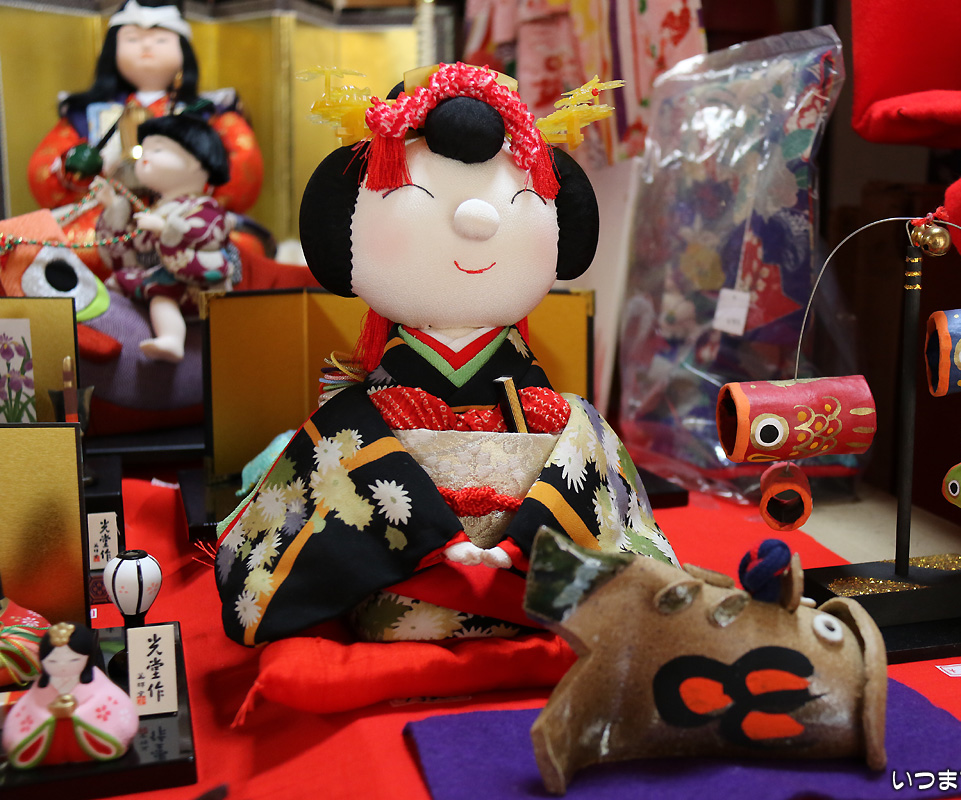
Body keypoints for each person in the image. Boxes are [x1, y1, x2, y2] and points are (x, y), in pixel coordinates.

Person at [215, 63, 676, 646]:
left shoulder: (548, 406)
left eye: (515, 200)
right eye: (421, 199)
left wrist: (525, 538)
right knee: (347, 434)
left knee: (582, 428)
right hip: (405, 578)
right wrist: (432, 532)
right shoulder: (368, 406)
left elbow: (584, 463)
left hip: (525, 569)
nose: (476, 221)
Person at [26, 0, 260, 269]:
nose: (147, 47)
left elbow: (244, 163)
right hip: (110, 212)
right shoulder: (88, 114)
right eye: (133, 39)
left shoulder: (207, 111)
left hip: (186, 211)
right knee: (73, 247)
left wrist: (194, 179)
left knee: (237, 246)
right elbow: (42, 169)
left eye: (161, 40)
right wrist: (75, 169)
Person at [95, 113, 236, 362]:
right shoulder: (158, 209)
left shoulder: (205, 208)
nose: (145, 157)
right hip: (161, 274)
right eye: (143, 150)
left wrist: (165, 229)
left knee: (161, 296)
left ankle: (172, 339)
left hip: (195, 284)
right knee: (117, 282)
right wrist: (114, 208)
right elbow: (129, 252)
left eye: (157, 150)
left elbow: (206, 237)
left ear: (195, 161)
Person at [2, 622, 137, 768]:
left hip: (89, 737)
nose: (62, 666)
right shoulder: (40, 689)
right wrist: (49, 715)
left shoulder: (98, 683)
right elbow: (27, 710)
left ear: (87, 659)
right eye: (53, 661)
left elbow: (116, 705)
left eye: (74, 660)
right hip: (50, 743)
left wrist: (78, 713)